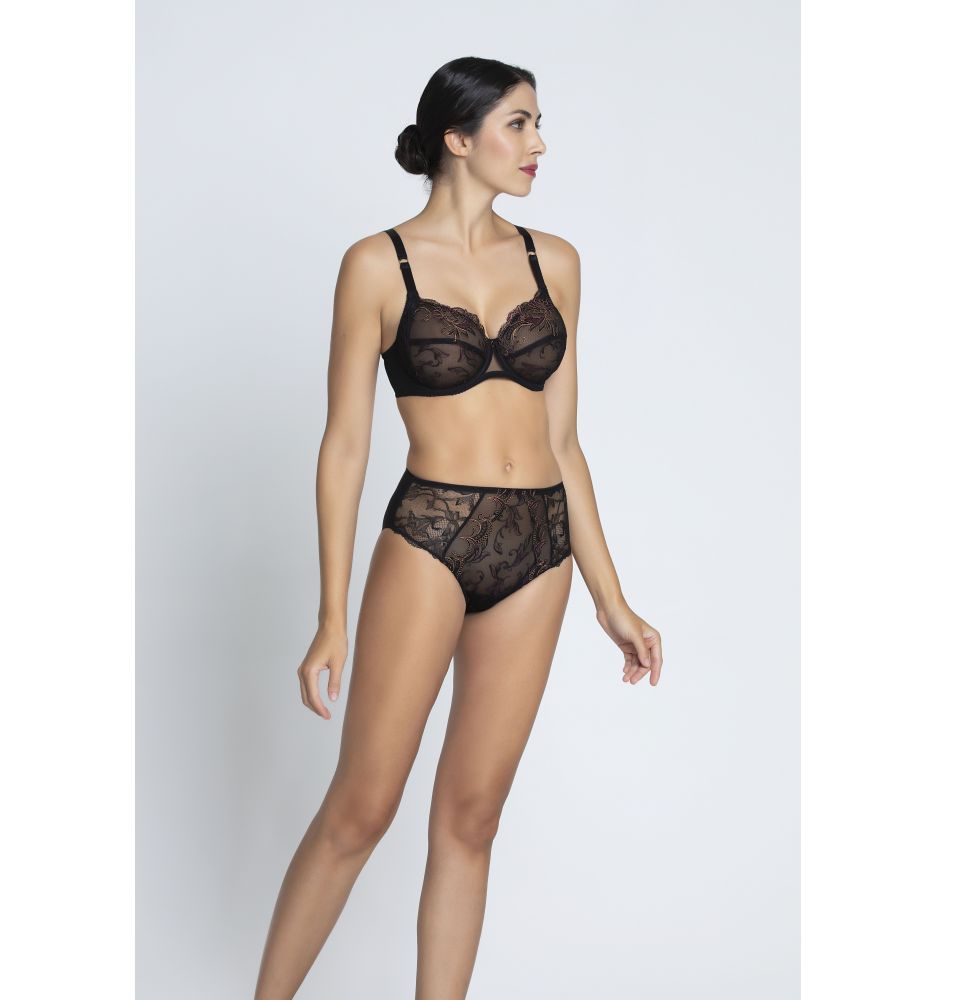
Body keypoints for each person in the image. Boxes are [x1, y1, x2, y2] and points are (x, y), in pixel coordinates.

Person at [254, 55, 663, 1000]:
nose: (538, 143)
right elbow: (345, 447)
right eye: (519, 124)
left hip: (541, 546)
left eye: (538, 123)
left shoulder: (554, 261)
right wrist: (330, 616)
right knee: (362, 809)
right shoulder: (376, 265)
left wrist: (612, 598)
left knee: (473, 818)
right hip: (430, 536)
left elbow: (564, 443)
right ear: (458, 137)